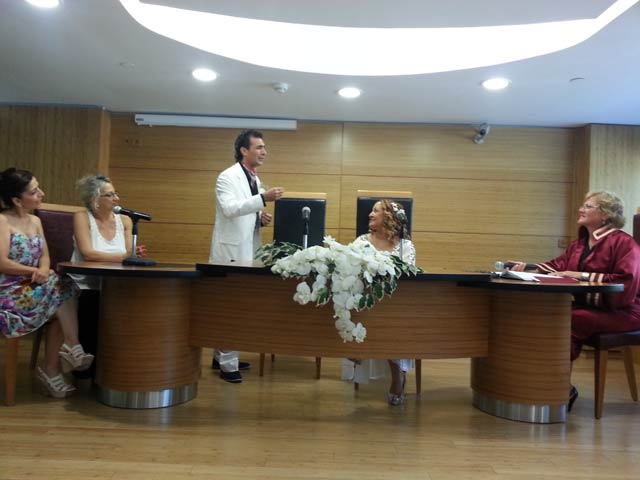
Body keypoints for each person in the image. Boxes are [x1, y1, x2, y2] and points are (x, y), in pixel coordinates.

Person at [509, 191, 640, 410]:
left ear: (606, 214)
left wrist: (582, 275)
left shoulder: (625, 243)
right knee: (553, 315)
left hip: (626, 312)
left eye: (588, 206)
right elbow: (558, 266)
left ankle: (558, 388)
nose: (581, 209)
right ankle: (552, 384)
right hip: (593, 308)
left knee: (570, 319)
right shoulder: (579, 244)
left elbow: (626, 283)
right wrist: (527, 267)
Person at [0, 167, 93, 398]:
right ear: (16, 200)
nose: (41, 193)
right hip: (9, 292)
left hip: (36, 287)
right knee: (60, 291)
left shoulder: (35, 220)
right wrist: (36, 271)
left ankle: (65, 354)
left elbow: (45, 256)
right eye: (34, 191)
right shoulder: (2, 221)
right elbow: (2, 263)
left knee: (64, 288)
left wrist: (43, 269)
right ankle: (65, 354)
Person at [209, 129, 284, 383]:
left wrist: (260, 218)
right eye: (259, 147)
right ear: (244, 150)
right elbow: (229, 209)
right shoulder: (227, 176)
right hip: (230, 252)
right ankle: (227, 365)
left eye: (264, 147)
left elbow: (246, 211)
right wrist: (263, 198)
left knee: (234, 304)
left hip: (247, 250)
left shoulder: (253, 177)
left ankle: (221, 356)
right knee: (231, 306)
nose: (264, 152)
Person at [69, 174, 145, 378]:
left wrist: (132, 255)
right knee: (93, 300)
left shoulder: (126, 220)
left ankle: (117, 365)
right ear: (95, 199)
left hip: (115, 283)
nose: (116, 198)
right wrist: (124, 257)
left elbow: (129, 254)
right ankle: (88, 366)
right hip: (86, 284)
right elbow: (88, 254)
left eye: (116, 193)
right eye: (110, 195)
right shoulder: (82, 217)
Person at [345, 199, 417, 406]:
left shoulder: (405, 246)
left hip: (395, 303)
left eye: (375, 211)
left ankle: (397, 376)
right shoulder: (361, 242)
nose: (370, 214)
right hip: (366, 299)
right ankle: (355, 350)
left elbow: (408, 277)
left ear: (389, 217)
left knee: (392, 319)